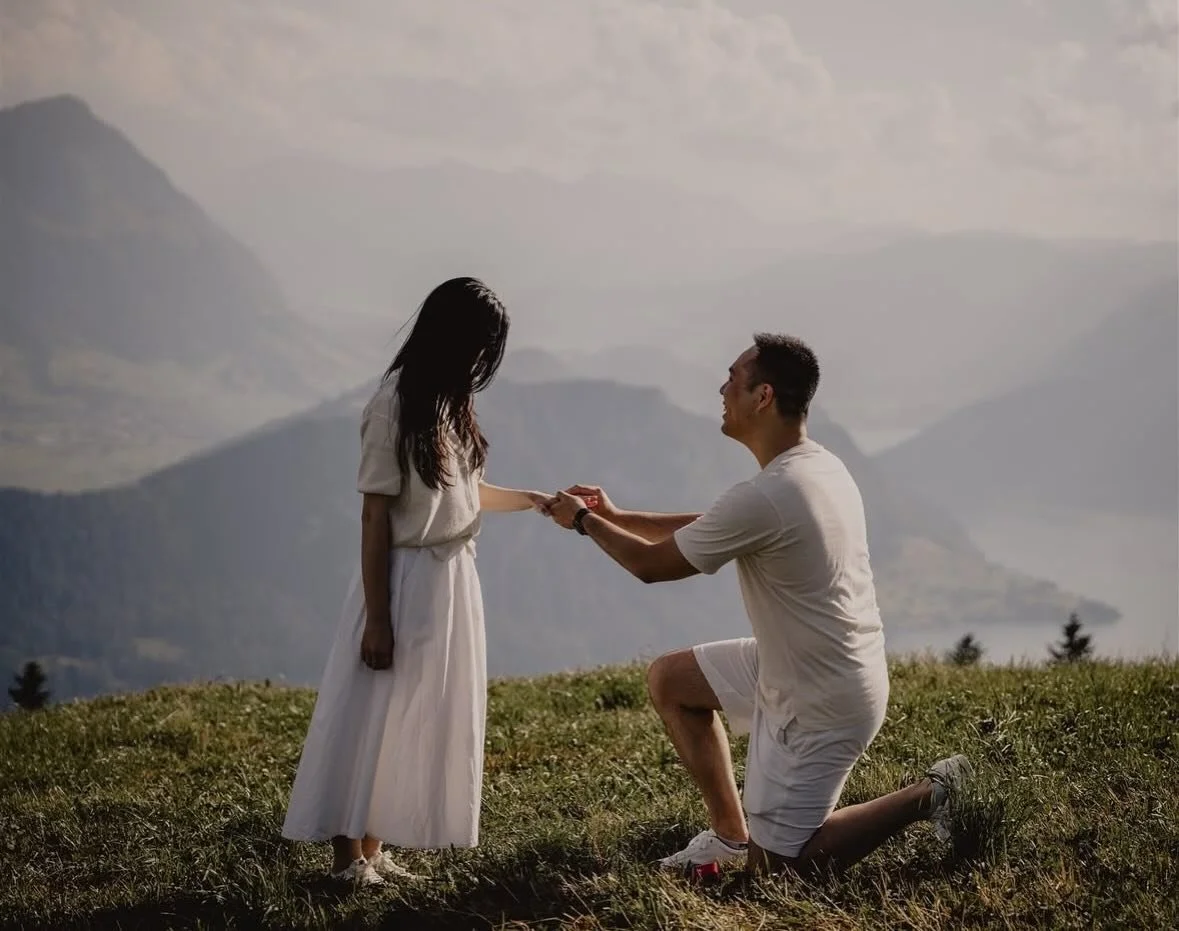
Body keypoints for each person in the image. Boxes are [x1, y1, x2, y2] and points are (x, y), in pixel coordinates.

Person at [542, 333, 970, 876]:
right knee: (671, 680)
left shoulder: (770, 493)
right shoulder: (814, 467)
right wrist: (617, 515)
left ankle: (932, 793)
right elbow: (715, 525)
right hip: (805, 663)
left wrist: (581, 520)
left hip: (822, 696)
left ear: (762, 396)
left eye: (732, 378)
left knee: (779, 873)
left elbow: (651, 568)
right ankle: (729, 837)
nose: (722, 389)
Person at [282, 277, 551, 885]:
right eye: (480, 345)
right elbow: (375, 514)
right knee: (371, 709)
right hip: (402, 579)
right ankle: (347, 858)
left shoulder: (448, 403)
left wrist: (534, 500)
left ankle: (374, 849)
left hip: (450, 579)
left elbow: (466, 495)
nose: (483, 360)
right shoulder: (394, 404)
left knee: (412, 713)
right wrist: (378, 617)